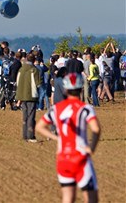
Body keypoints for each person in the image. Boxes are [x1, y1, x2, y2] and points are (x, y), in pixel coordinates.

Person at [36, 73, 101, 203]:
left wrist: (57, 138)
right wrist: (92, 147)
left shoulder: (56, 109)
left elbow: (40, 126)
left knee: (67, 197)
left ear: (65, 89)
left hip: (62, 158)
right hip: (80, 157)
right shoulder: (85, 108)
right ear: (81, 88)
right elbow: (96, 129)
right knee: (91, 197)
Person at [16, 53, 41, 142]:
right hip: (31, 95)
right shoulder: (34, 70)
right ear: (34, 60)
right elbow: (38, 84)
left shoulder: (21, 69)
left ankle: (25, 135)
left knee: (25, 115)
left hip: (21, 95)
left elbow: (18, 82)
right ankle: (30, 135)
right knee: (31, 116)